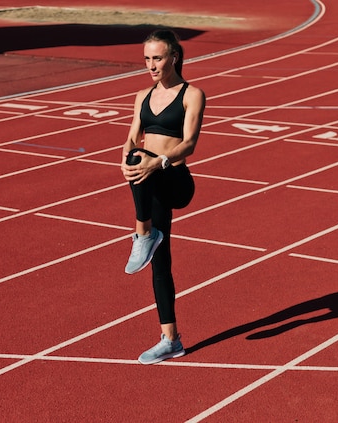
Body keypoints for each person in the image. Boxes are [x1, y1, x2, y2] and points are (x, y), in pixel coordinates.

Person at [120, 29, 206, 365]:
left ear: (173, 56)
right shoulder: (142, 95)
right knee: (161, 260)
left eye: (157, 58)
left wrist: (159, 161)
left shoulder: (191, 94)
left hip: (176, 179)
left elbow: (190, 143)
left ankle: (143, 232)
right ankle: (170, 339)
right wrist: (125, 159)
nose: (151, 65)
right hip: (149, 179)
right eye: (147, 59)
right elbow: (131, 138)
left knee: (143, 164)